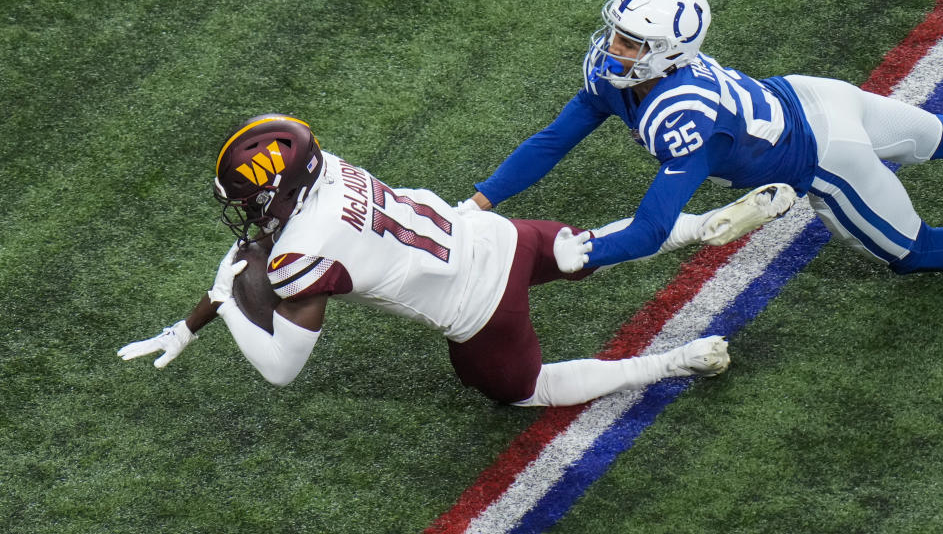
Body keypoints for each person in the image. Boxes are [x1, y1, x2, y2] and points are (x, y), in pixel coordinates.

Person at [117, 114, 794, 407]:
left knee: (524, 391)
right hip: (501, 237)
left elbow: (280, 366)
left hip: (480, 311)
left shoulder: (300, 250)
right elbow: (251, 249)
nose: (244, 216)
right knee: (581, 248)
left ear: (280, 190)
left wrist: (233, 299)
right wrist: (190, 323)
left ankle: (675, 362)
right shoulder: (331, 175)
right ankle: (701, 225)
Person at [467, 0, 943, 274]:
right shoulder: (621, 79)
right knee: (938, 135)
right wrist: (477, 202)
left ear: (668, 52)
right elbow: (551, 142)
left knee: (914, 251)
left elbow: (650, 230)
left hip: (829, 155)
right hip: (811, 95)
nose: (613, 48)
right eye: (617, 33)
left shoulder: (683, 114)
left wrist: (583, 253)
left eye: (630, 42)